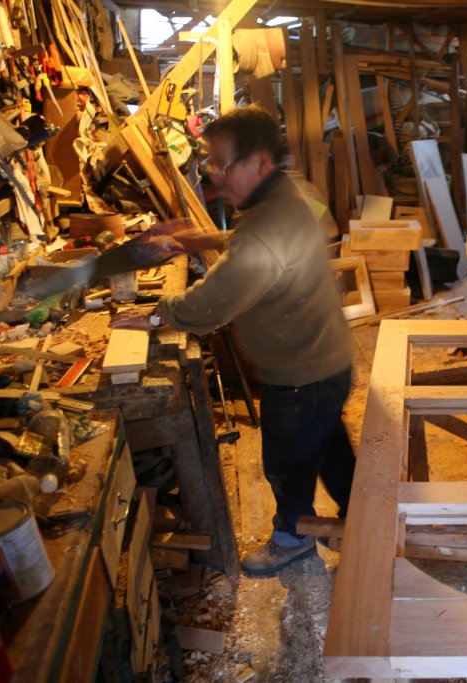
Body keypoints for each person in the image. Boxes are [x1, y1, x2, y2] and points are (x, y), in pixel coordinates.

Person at [111, 105, 355, 576]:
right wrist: (201, 239)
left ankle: (292, 539)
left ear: (260, 162)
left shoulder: (264, 228)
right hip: (329, 357)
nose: (215, 176)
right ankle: (360, 517)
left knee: (288, 462)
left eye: (222, 164)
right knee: (328, 444)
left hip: (299, 371)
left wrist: (160, 316)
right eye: (211, 164)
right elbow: (280, 238)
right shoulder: (295, 191)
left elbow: (212, 306)